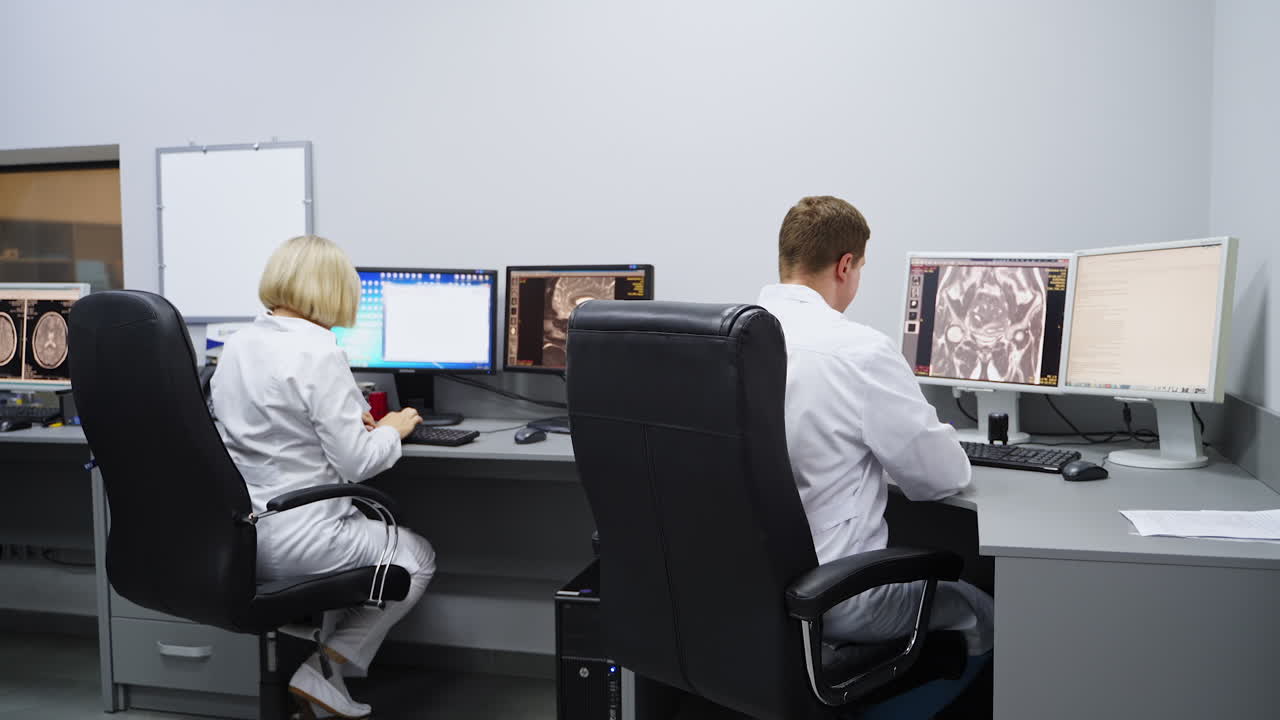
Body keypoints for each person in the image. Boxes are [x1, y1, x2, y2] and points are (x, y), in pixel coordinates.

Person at [755, 196, 994, 659]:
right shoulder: (858, 351)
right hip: (839, 597)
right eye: (860, 269)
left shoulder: (730, 338)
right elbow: (942, 478)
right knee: (984, 609)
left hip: (747, 588)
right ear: (845, 266)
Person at [211, 235, 435, 719]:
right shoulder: (319, 351)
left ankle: (323, 689)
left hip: (242, 537)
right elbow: (358, 464)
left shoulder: (237, 345)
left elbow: (273, 426)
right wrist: (394, 430)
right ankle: (323, 667)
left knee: (361, 546)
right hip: (301, 540)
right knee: (416, 556)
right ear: (334, 291)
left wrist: (353, 425)